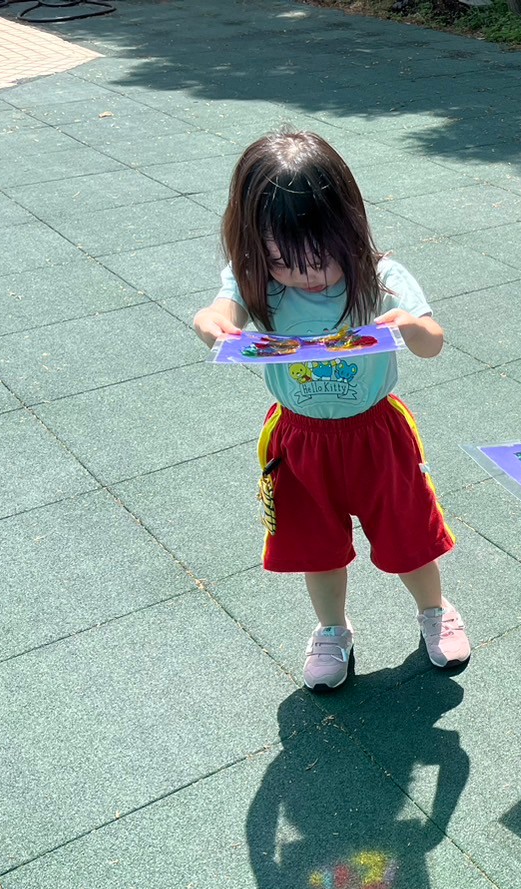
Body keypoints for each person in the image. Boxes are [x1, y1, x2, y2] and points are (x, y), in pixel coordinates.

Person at [191, 130, 468, 692]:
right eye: (285, 261)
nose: (308, 276)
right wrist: (210, 323)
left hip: (376, 433)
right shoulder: (255, 280)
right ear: (256, 246)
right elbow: (220, 313)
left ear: (349, 226)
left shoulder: (381, 276)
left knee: (408, 533)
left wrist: (411, 327)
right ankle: (332, 628)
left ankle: (434, 609)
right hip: (299, 438)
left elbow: (433, 342)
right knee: (316, 547)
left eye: (320, 257)